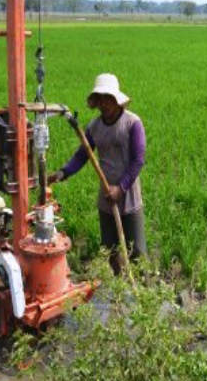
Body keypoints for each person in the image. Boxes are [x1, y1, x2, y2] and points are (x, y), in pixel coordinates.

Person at [49, 73, 147, 274]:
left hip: (128, 195)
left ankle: (143, 288)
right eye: (101, 99)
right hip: (106, 196)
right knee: (109, 250)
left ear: (116, 100)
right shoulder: (94, 127)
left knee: (137, 252)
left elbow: (138, 161)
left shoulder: (132, 123)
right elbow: (82, 155)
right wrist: (63, 172)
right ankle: (120, 286)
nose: (104, 104)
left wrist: (120, 188)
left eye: (108, 99)